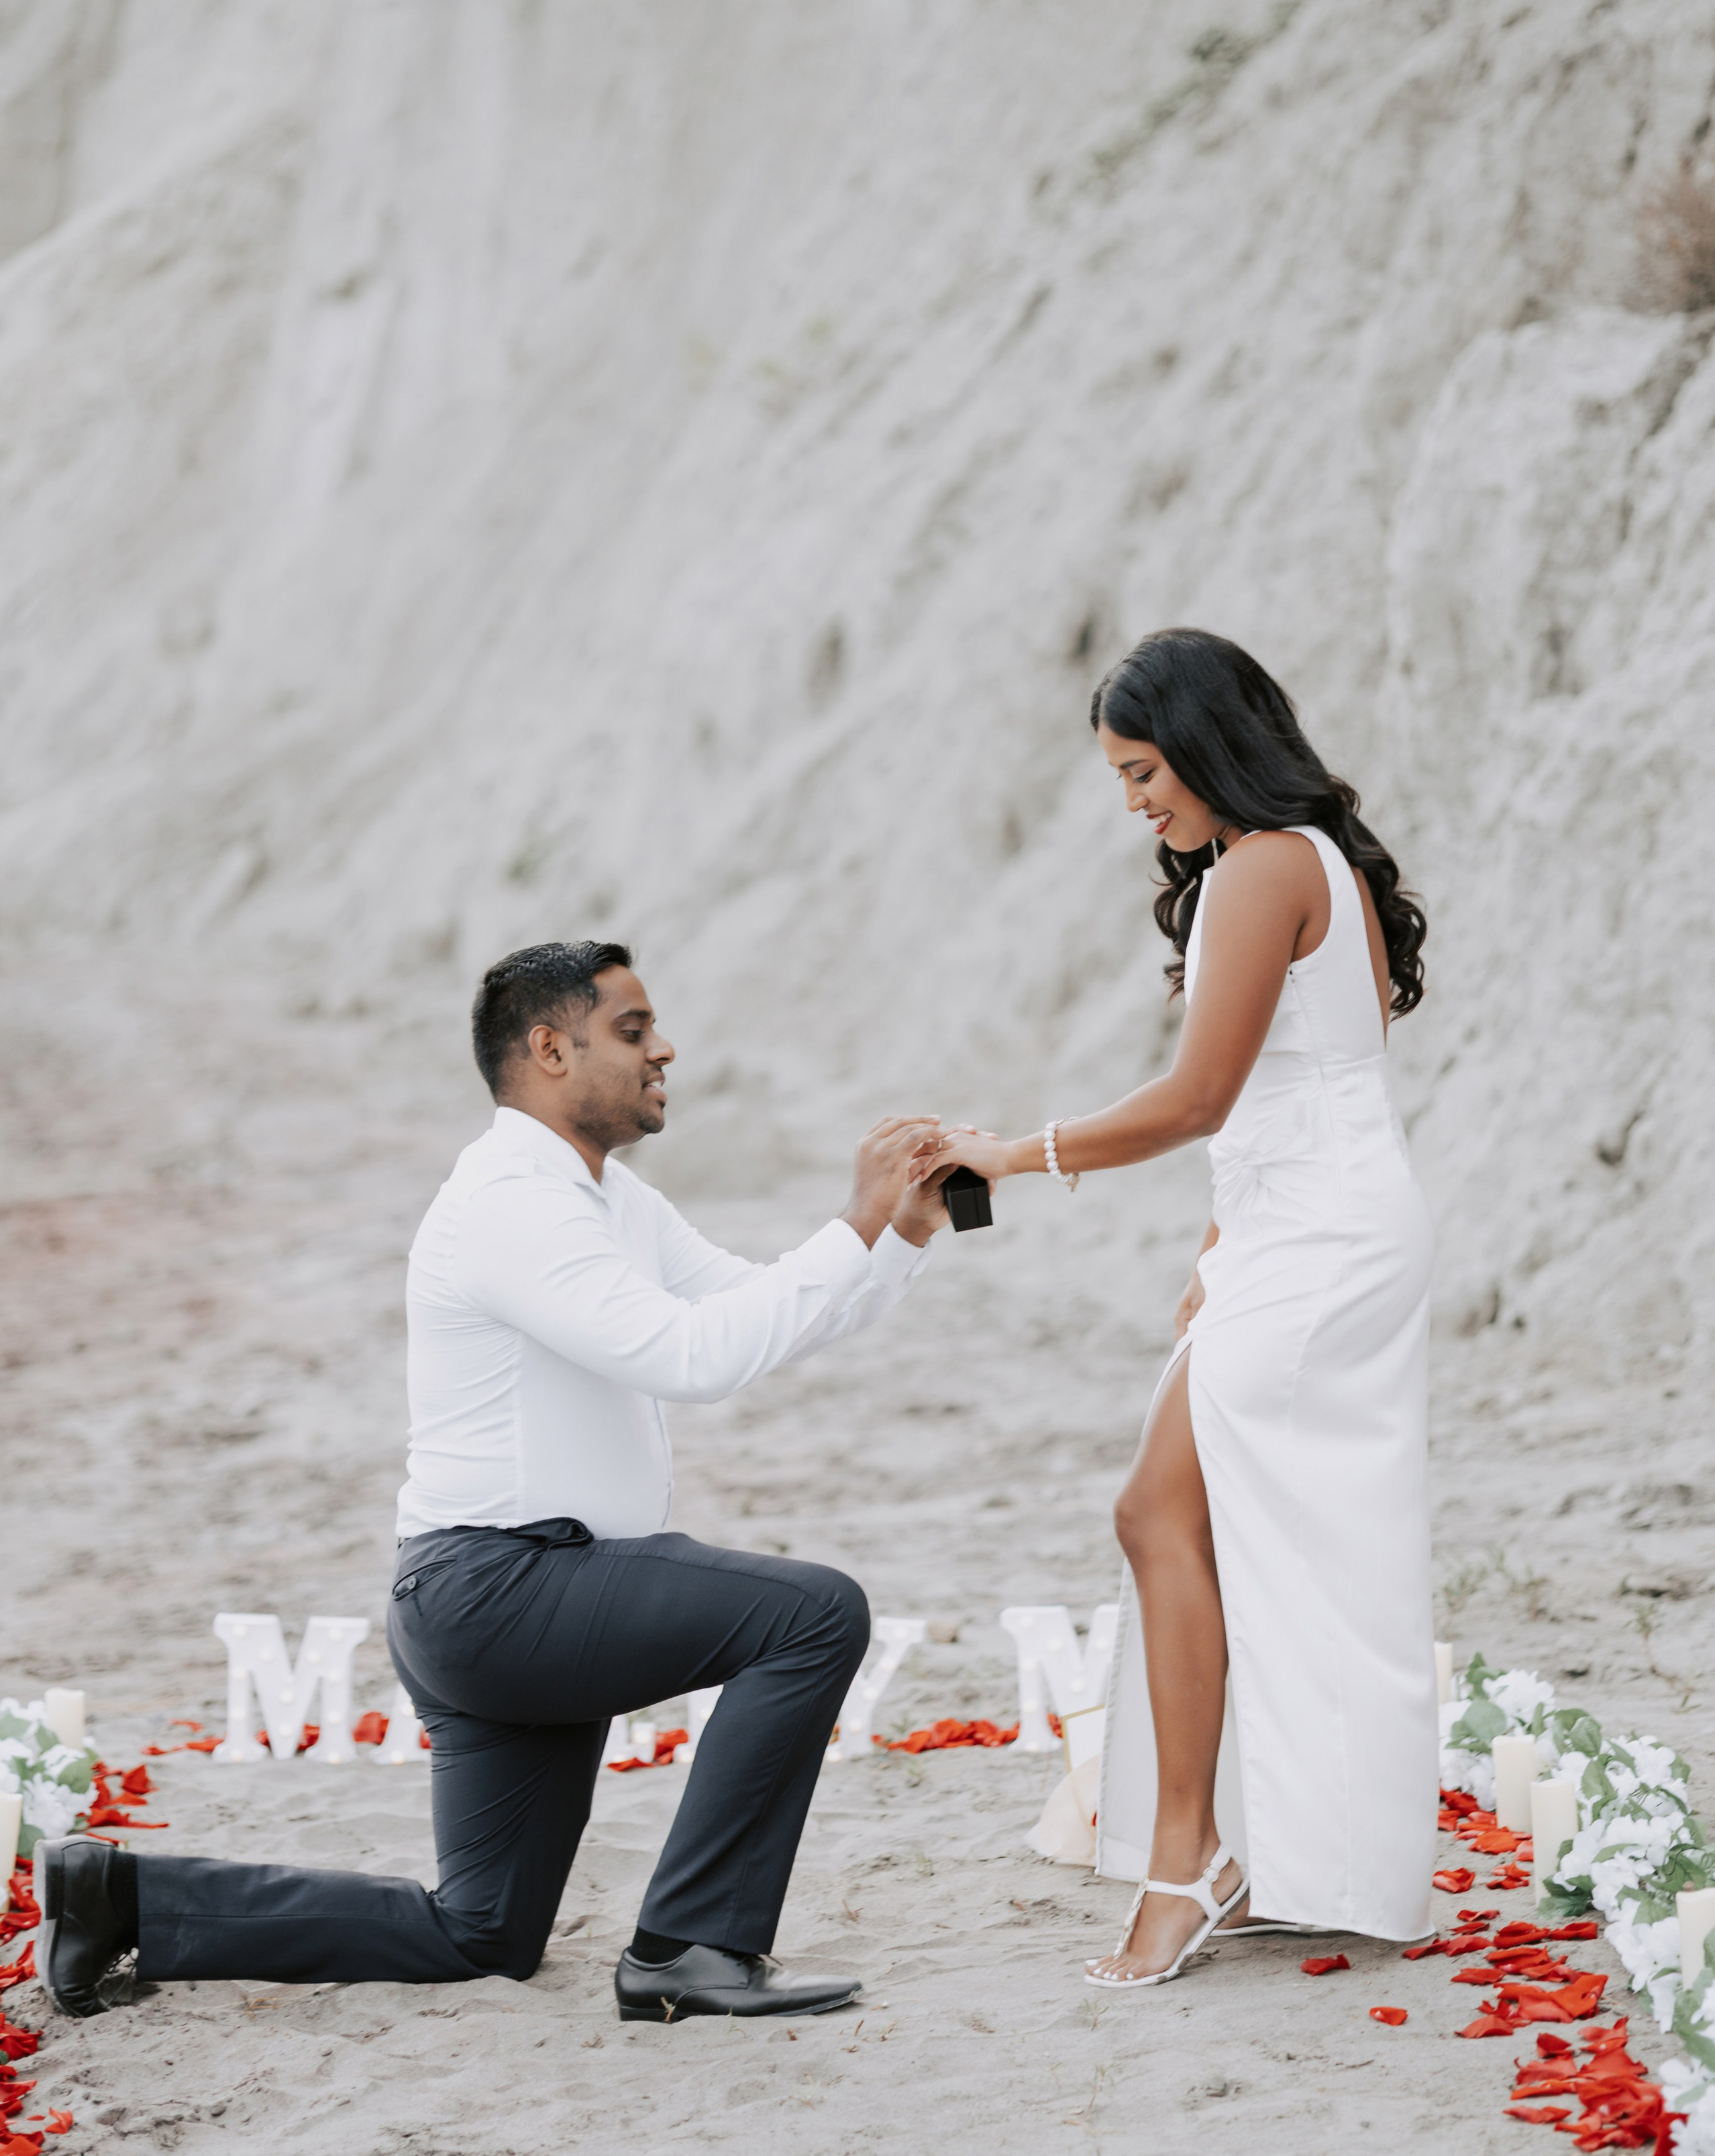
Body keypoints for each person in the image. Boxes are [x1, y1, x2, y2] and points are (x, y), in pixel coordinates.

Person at [39, 941, 951, 2025]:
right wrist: (852, 1221)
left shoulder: (608, 1200)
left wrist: (899, 1232)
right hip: (499, 1592)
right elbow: (695, 1360)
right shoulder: (512, 1202)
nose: (666, 1049)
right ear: (550, 1049)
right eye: (633, 1029)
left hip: (506, 1601)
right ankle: (691, 1947)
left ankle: (120, 1896)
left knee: (483, 1933)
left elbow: (760, 1312)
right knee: (813, 1615)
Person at [929, 630, 1436, 1986]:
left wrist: (1009, 1155)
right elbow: (1305, 1086)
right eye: (1118, 777)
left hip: (1319, 1251)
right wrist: (1221, 1244)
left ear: (1210, 745)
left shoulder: (1266, 868)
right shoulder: (1298, 864)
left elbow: (1201, 1098)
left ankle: (1191, 1860)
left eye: (1143, 770)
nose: (1134, 802)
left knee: (1169, 1514)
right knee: (1221, 1528)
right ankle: (1240, 1848)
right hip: (1306, 1235)